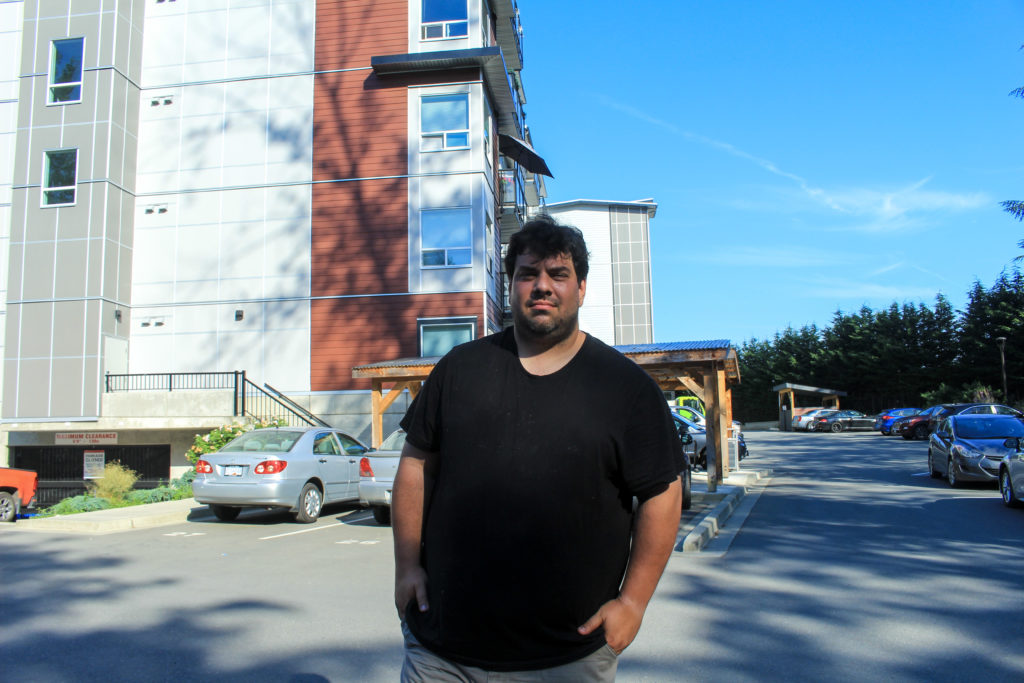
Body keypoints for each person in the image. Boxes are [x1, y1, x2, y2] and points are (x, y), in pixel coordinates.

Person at [392, 214, 684, 681]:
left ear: (581, 288)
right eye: (528, 274)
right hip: (441, 651)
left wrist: (633, 602)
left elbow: (662, 493)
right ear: (510, 286)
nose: (542, 286)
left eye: (558, 274)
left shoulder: (624, 388)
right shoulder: (460, 369)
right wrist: (406, 566)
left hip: (566, 657)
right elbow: (415, 466)